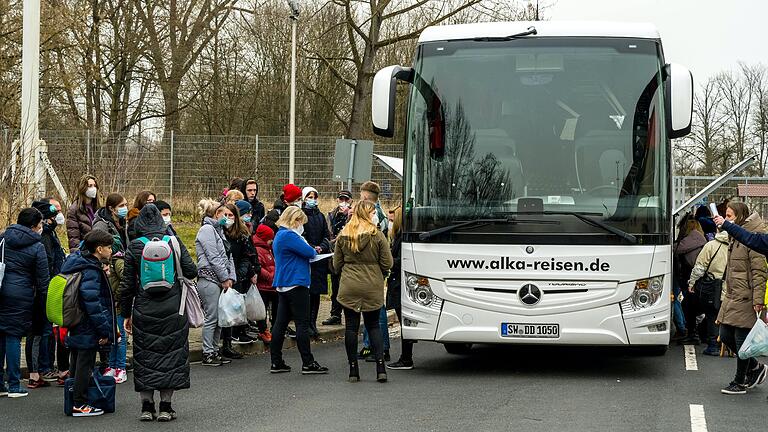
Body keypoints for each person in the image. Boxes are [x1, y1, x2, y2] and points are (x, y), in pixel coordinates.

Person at [121, 205, 197, 421]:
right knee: (171, 356)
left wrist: (126, 313)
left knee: (145, 358)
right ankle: (166, 407)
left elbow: (127, 286)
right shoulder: (173, 242)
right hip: (174, 308)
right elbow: (191, 271)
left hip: (144, 309)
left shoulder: (135, 246)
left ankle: (147, 407)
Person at [333, 201, 393, 382]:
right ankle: (380, 367)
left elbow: (337, 265)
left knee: (351, 327)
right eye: (374, 212)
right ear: (369, 214)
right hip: (371, 284)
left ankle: (353, 370)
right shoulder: (377, 235)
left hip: (349, 285)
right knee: (373, 325)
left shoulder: (344, 235)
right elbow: (387, 263)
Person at [712, 202, 768, 395]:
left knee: (740, 338)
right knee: (726, 335)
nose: (726, 219)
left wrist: (758, 299)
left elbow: (759, 271)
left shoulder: (753, 236)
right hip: (734, 294)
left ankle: (739, 381)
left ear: (740, 216)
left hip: (747, 296)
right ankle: (755, 368)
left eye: (729, 216)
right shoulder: (734, 236)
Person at [62, 229, 116, 417]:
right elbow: (93, 302)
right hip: (87, 324)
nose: (111, 250)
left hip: (76, 321)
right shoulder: (91, 270)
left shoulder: (76, 262)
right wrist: (104, 330)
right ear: (99, 249)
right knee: (85, 365)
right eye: (109, 247)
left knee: (76, 364)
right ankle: (80, 403)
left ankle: (73, 398)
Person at [269, 206, 328, 375]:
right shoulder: (289, 235)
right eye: (301, 222)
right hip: (296, 283)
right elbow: (309, 252)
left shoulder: (280, 234)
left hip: (283, 284)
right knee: (302, 324)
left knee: (280, 324)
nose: (302, 226)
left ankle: (276, 361)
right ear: (295, 220)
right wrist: (307, 245)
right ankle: (308, 362)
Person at [0, 208, 50, 398]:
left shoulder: (3, 237)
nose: (41, 228)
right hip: (21, 294)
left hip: (1, 288)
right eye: (40, 225)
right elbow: (43, 280)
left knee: (0, 335)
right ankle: (14, 384)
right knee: (13, 336)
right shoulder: (37, 246)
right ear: (33, 226)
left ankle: (0, 383)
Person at [92, 193, 129, 383]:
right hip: (113, 290)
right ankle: (114, 366)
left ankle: (118, 366)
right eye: (121, 205)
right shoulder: (103, 225)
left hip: (118, 295)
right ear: (111, 208)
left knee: (119, 333)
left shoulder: (122, 224)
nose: (125, 208)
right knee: (116, 334)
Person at [195, 203, 237, 366]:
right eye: (225, 214)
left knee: (219, 317)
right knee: (212, 317)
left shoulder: (219, 231)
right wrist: (224, 277)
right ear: (217, 213)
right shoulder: (206, 230)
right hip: (209, 279)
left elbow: (228, 255)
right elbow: (213, 257)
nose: (227, 218)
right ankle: (207, 352)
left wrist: (230, 277)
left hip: (221, 280)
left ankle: (214, 349)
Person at [33, 199, 66, 383]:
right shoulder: (45, 236)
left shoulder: (50, 233)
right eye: (55, 213)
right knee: (44, 330)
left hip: (52, 284)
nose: (58, 216)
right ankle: (44, 367)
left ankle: (47, 366)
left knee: (50, 329)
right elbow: (48, 261)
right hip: (48, 287)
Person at [358, 181, 390, 361]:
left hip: (373, 267)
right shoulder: (377, 212)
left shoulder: (374, 214)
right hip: (372, 267)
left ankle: (381, 347)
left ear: (365, 196)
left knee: (377, 308)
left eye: (361, 195)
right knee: (369, 307)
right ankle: (369, 345)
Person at [222, 201, 260, 353]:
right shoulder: (219, 232)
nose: (227, 218)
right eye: (225, 215)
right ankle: (226, 342)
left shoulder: (241, 234)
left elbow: (247, 255)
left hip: (238, 275)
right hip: (223, 276)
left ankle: (233, 338)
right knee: (225, 311)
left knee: (236, 308)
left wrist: (243, 273)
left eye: (230, 215)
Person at [687, 229, 729, 356]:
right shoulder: (738, 245)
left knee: (712, 314)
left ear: (718, 230)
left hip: (713, 286)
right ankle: (728, 344)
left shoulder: (711, 245)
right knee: (727, 316)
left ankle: (713, 345)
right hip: (732, 287)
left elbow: (699, 268)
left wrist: (692, 282)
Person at [386, 206, 414, 370]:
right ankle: (405, 357)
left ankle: (406, 358)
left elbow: (402, 260)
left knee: (404, 321)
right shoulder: (400, 236)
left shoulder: (402, 238)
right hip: (398, 281)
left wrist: (388, 260)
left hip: (399, 283)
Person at [301, 186, 331, 338]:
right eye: (309, 197)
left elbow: (327, 235)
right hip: (307, 259)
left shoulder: (320, 216)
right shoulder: (301, 215)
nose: (312, 200)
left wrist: (322, 247)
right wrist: (311, 247)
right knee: (307, 293)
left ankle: (313, 322)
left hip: (320, 260)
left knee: (317, 293)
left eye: (314, 197)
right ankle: (306, 323)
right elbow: (301, 235)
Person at [674, 216, 707, 344]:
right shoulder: (700, 237)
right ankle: (694, 333)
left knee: (689, 306)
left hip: (692, 278)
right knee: (689, 305)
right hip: (695, 277)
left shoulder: (693, 238)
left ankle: (692, 334)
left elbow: (676, 249)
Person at [322, 190, 353, 326]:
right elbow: (328, 232)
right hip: (334, 254)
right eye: (341, 199)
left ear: (351, 201)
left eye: (346, 200)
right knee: (335, 286)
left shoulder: (354, 215)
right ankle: (335, 314)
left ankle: (350, 314)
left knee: (346, 287)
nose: (343, 202)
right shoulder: (331, 215)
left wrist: (348, 217)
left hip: (348, 256)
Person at [252, 224, 276, 343]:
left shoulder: (268, 248)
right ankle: (263, 330)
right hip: (263, 286)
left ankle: (272, 329)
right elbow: (259, 267)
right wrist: (270, 276)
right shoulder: (258, 249)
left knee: (273, 308)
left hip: (271, 285)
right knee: (262, 311)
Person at [66, 175, 101, 253]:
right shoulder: (74, 210)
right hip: (85, 250)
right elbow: (74, 237)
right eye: (90, 186)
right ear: (83, 188)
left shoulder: (98, 208)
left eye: (95, 186)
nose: (93, 188)